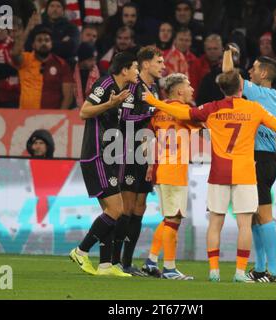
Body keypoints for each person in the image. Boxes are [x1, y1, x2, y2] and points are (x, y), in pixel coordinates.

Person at [143, 68, 276, 283]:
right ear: (240, 88)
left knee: (215, 223)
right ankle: (239, 273)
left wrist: (156, 101)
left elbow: (183, 113)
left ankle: (214, 272)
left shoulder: (211, 109)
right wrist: (259, 118)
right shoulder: (254, 108)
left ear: (221, 88)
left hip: (219, 172)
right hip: (245, 172)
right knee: (244, 224)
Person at [224, 47, 276, 283]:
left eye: (254, 67)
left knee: (264, 215)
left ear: (263, 73)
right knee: (254, 215)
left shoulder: (255, 92)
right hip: (266, 159)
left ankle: (273, 272)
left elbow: (228, 75)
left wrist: (228, 53)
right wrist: (271, 146)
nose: (250, 71)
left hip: (257, 159)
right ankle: (261, 268)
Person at [69, 51, 139, 277]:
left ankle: (106, 264)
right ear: (125, 69)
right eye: (135, 67)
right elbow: (84, 111)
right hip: (97, 153)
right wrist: (109, 104)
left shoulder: (124, 92)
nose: (137, 72)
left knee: (111, 212)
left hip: (111, 154)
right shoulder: (105, 84)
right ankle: (81, 251)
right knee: (116, 209)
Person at [142, 73, 199, 280]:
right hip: (174, 170)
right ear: (179, 91)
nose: (192, 89)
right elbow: (201, 123)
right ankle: (169, 268)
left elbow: (148, 138)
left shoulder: (158, 110)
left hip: (162, 168)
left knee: (168, 218)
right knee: (173, 219)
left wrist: (150, 164)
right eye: (189, 85)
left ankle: (151, 260)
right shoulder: (183, 110)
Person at [114, 46, 165, 276]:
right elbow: (125, 117)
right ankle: (114, 262)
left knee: (140, 208)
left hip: (146, 154)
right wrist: (151, 110)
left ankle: (127, 262)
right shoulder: (134, 87)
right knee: (126, 207)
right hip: (128, 150)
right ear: (145, 64)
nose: (162, 66)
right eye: (159, 61)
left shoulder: (154, 89)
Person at [11, 13, 74, 110]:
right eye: (39, 40)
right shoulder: (25, 59)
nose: (43, 43)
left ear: (51, 44)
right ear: (33, 45)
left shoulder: (61, 64)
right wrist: (28, 29)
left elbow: (68, 96)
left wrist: (60, 116)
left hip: (51, 118)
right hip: (25, 116)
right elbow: (15, 53)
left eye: (47, 40)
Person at [73, 42, 100, 108]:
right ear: (82, 60)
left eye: (95, 59)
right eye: (90, 60)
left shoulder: (98, 73)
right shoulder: (71, 71)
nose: (94, 63)